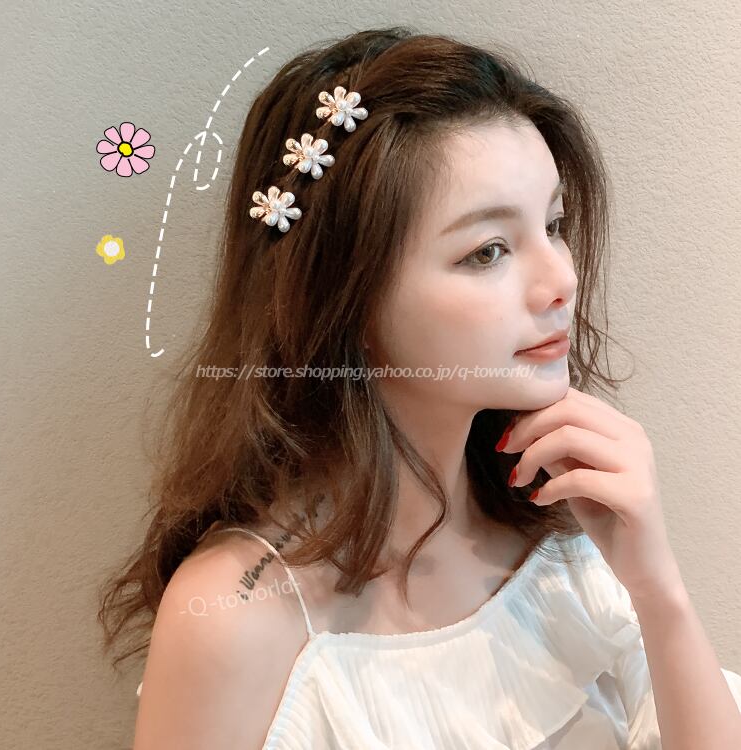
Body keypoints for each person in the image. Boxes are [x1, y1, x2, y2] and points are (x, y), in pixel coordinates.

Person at [97, 26, 741, 749]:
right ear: (344, 296)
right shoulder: (236, 619)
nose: (561, 278)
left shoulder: (563, 530)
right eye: (488, 251)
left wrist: (658, 591)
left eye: (554, 224)